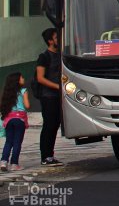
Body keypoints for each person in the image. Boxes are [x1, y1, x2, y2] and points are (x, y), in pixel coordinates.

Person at [37, 28, 64, 167]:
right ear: (50, 41)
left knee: (55, 125)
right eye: (56, 37)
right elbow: (40, 78)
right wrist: (56, 86)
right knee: (49, 125)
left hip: (59, 96)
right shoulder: (44, 57)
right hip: (48, 96)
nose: (58, 39)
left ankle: (50, 155)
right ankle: (45, 156)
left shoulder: (61, 54)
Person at [0, 72, 30, 171]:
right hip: (20, 120)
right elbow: (27, 105)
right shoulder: (23, 91)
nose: (23, 78)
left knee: (9, 141)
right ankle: (14, 164)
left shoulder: (7, 93)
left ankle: (3, 161)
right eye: (21, 77)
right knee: (17, 142)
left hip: (9, 119)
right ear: (17, 80)